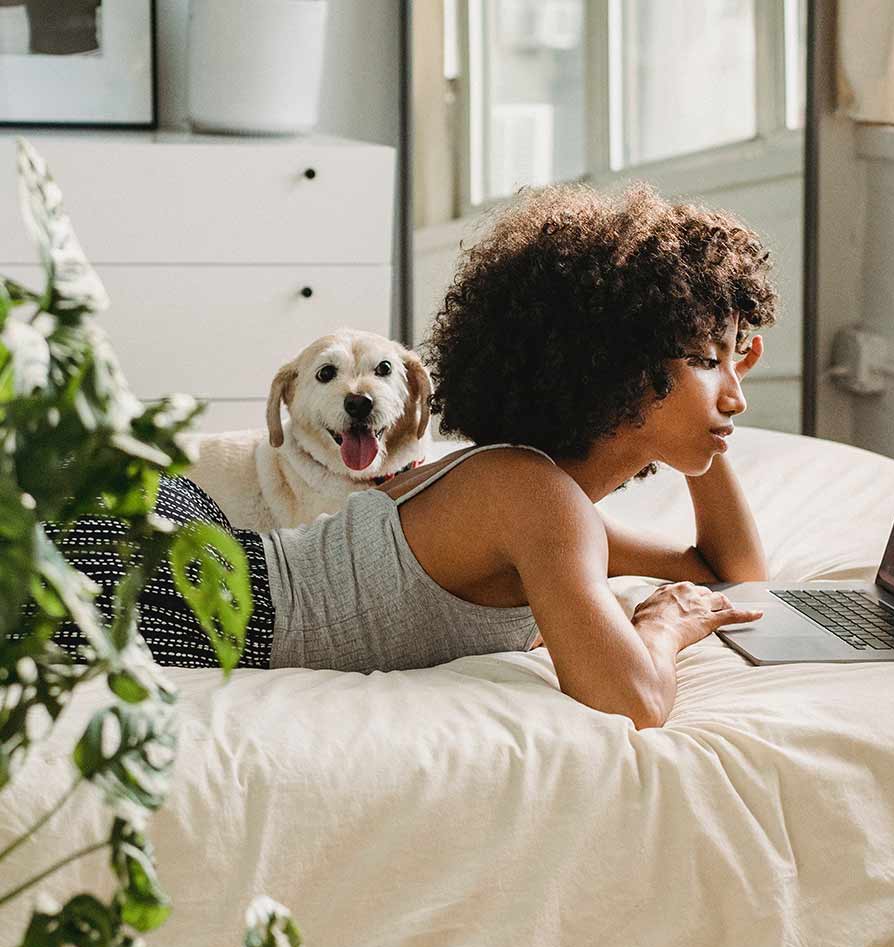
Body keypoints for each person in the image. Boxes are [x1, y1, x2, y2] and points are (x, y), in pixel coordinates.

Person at [31, 181, 778, 729]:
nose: (735, 393)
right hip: (181, 589)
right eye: (708, 361)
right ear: (618, 366)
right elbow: (636, 701)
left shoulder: (533, 498)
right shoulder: (534, 500)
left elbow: (733, 578)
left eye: (733, 363)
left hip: (190, 553)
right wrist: (663, 627)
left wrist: (711, 424)